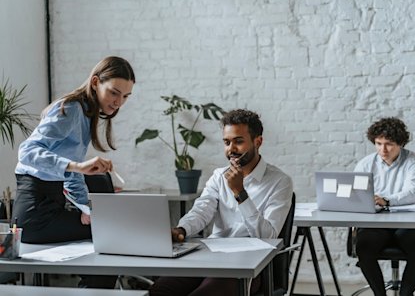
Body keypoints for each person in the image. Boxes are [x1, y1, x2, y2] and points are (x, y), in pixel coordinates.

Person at [12, 56, 135, 288]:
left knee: (108, 229)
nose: (119, 102)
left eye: (126, 96)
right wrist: (77, 166)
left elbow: (71, 171)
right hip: (34, 215)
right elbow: (27, 152)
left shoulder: (86, 112)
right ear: (96, 82)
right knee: (110, 233)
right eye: (114, 92)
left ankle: (93, 290)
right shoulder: (70, 109)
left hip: (51, 206)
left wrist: (84, 207)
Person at [150, 109, 293, 296]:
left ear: (258, 142)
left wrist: (240, 192)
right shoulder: (219, 176)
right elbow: (202, 210)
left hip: (250, 265)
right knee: (159, 290)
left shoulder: (280, 182)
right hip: (211, 256)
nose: (231, 149)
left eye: (238, 141)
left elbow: (269, 236)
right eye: (227, 142)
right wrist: (181, 229)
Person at [354, 117, 415, 296]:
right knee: (363, 247)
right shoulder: (365, 163)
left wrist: (385, 200)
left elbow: (411, 193)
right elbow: (356, 194)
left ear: (401, 143)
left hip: (407, 224)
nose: (383, 149)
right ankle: (379, 294)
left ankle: (405, 294)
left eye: (389, 144)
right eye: (378, 143)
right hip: (376, 223)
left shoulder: (412, 161)